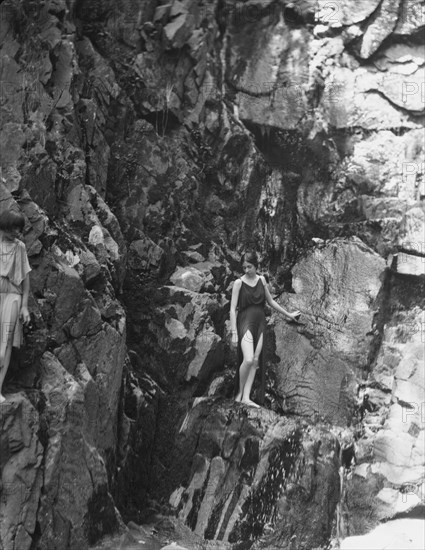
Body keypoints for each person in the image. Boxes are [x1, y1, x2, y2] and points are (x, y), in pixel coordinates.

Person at [230, 252, 300, 408]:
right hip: (245, 321)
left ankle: (246, 397)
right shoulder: (238, 283)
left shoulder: (262, 280)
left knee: (255, 361)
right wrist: (234, 332)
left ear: (256, 266)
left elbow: (270, 302)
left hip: (260, 322)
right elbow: (232, 309)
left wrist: (289, 314)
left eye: (249, 266)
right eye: (244, 267)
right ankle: (238, 395)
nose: (247, 270)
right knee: (247, 359)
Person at [0, 210, 31, 403]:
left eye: (18, 230)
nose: (16, 233)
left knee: (6, 341)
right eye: (12, 229)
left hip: (13, 295)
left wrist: (25, 306)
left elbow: (26, 281)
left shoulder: (20, 248)